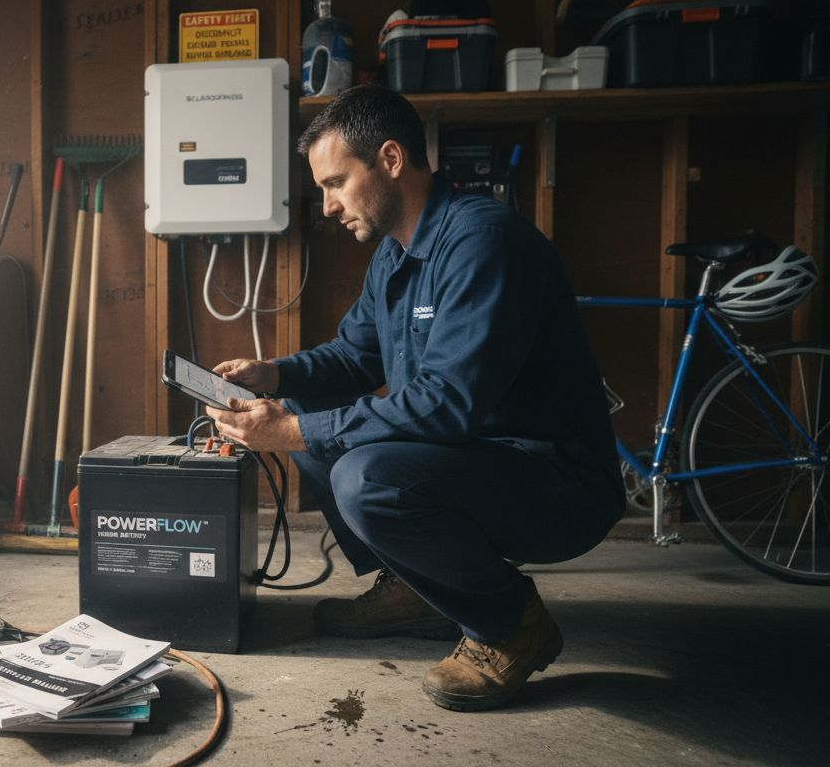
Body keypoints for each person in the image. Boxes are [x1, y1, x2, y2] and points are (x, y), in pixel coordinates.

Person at [205, 84, 624, 712]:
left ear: (392, 160)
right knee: (319, 439)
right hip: (476, 459)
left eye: (336, 182)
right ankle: (416, 590)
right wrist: (273, 376)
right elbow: (354, 357)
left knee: (363, 475)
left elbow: (448, 403)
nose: (326, 206)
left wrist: (293, 431)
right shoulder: (396, 254)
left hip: (555, 482)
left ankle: (511, 625)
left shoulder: (482, 242)